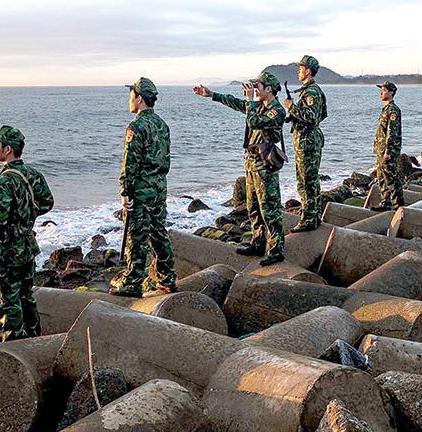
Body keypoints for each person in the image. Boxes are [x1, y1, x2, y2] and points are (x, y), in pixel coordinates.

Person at [0, 125, 54, 341]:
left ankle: (13, 341)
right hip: (26, 245)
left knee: (7, 300)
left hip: (6, 250)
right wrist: (24, 215)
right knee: (26, 296)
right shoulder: (32, 174)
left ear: (7, 149)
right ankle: (34, 337)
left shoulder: (5, 180)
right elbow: (47, 203)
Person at [193, 72, 286, 266]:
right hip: (252, 162)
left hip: (265, 164)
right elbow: (237, 103)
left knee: (269, 207)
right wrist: (212, 94)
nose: (254, 90)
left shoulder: (277, 110)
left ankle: (276, 249)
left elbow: (254, 121)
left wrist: (250, 100)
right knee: (253, 206)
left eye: (258, 86)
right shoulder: (258, 106)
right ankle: (258, 242)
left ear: (269, 89)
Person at [110, 77, 179, 297]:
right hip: (159, 186)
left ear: (139, 99)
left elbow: (130, 163)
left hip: (141, 188)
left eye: (131, 96)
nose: (129, 100)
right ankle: (167, 277)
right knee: (158, 232)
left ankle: (132, 282)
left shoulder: (136, 126)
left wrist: (125, 191)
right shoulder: (162, 124)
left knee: (137, 235)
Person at [282, 55, 327, 232]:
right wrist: (293, 116)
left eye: (300, 68)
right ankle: (314, 216)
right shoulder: (308, 90)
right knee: (311, 180)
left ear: (308, 71)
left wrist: (290, 107)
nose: (298, 71)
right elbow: (319, 115)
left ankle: (308, 219)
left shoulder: (311, 92)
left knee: (305, 181)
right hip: (307, 139)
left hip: (307, 141)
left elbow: (312, 117)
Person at [373, 81, 405, 210]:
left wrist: (388, 151)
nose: (381, 92)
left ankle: (398, 205)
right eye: (381, 90)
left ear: (391, 93)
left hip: (388, 150)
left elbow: (392, 133)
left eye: (384, 90)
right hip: (380, 149)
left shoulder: (393, 110)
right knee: (382, 177)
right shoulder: (386, 109)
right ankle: (385, 202)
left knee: (391, 177)